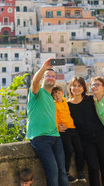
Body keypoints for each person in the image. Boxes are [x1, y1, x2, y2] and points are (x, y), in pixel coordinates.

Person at [26, 58, 68, 186]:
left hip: (55, 136)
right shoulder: (37, 93)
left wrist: (58, 126)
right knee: (53, 171)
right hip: (40, 138)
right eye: (48, 76)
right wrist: (44, 68)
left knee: (62, 171)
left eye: (53, 76)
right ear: (43, 78)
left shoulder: (52, 98)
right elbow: (34, 82)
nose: (51, 78)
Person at [67, 76, 104, 186]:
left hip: (101, 136)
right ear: (70, 87)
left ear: (83, 88)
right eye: (74, 85)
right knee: (93, 168)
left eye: (79, 86)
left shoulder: (90, 100)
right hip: (85, 141)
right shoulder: (67, 105)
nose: (76, 88)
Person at [51, 85, 86, 183]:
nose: (57, 96)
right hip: (64, 130)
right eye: (54, 94)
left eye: (58, 93)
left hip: (73, 128)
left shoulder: (65, 101)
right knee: (69, 150)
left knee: (80, 149)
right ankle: (66, 172)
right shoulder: (53, 104)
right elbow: (53, 118)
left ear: (62, 93)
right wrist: (58, 127)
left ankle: (80, 171)